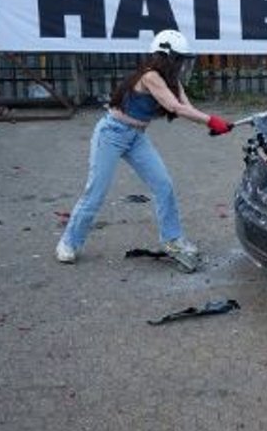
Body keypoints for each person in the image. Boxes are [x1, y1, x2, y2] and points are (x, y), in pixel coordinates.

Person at [56, 29, 232, 272]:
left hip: (136, 137)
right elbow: (174, 107)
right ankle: (68, 243)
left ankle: (173, 240)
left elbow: (186, 107)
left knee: (163, 185)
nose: (181, 65)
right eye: (178, 59)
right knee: (95, 192)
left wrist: (211, 124)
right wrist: (212, 120)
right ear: (166, 57)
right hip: (111, 134)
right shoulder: (150, 76)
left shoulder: (172, 81)